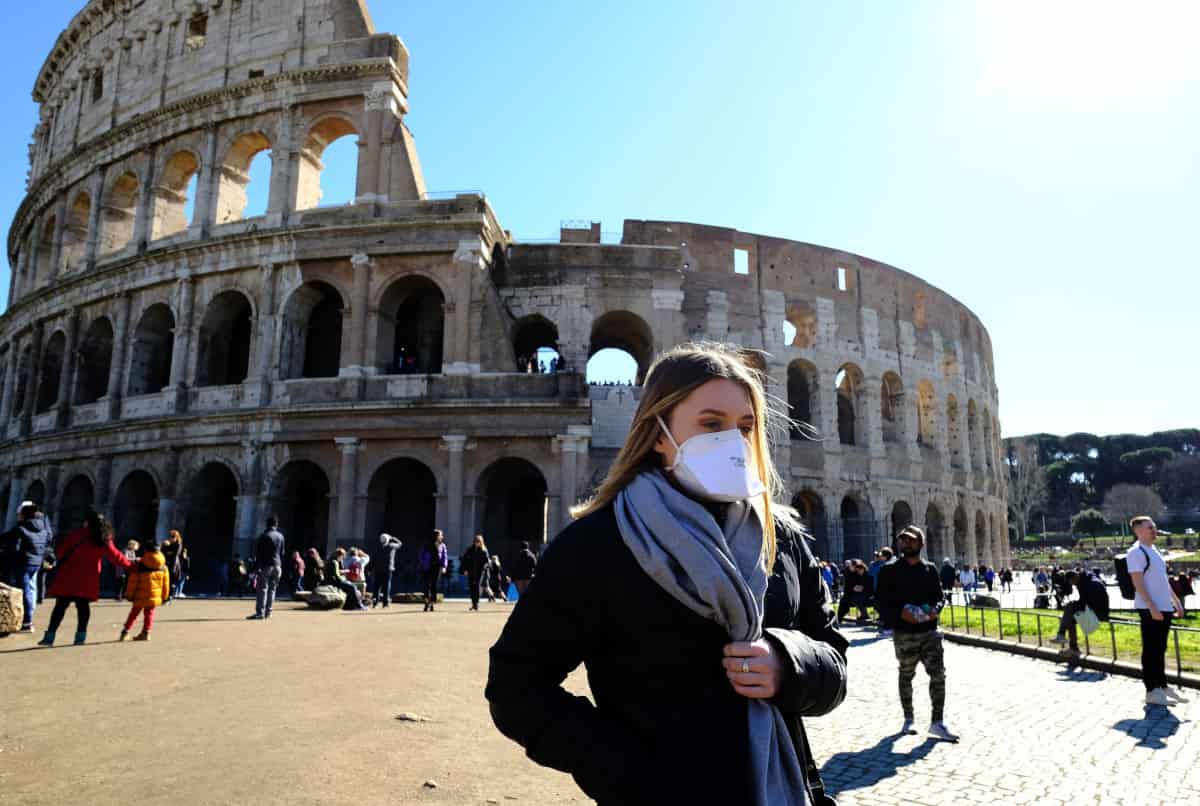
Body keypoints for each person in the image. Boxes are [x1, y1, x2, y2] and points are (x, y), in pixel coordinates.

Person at [486, 343, 848, 804]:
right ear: (658, 433)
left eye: (745, 427)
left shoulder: (782, 537)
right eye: (711, 424)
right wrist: (627, 772)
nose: (733, 443)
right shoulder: (597, 544)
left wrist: (788, 663)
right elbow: (516, 686)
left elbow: (833, 656)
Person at [875, 525, 958, 741]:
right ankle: (908, 719)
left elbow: (940, 598)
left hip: (930, 632)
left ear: (921, 543)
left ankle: (937, 722)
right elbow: (880, 602)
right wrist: (901, 614)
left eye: (911, 540)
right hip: (905, 633)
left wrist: (934, 611)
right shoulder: (889, 571)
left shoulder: (930, 569)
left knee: (938, 675)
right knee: (906, 675)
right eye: (904, 540)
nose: (906, 543)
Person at [39, 510, 132, 647]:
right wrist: (132, 566)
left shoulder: (77, 535)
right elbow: (116, 556)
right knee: (83, 608)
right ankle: (80, 637)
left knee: (60, 606)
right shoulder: (103, 538)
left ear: (87, 522)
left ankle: (49, 636)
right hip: (89, 577)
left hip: (69, 575)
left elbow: (61, 551)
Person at [1126, 517, 1188, 705]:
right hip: (1149, 607)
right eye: (1150, 527)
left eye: (1154, 526)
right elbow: (1137, 582)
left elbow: (1162, 579)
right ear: (1138, 531)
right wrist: (1151, 606)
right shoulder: (1135, 552)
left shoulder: (1154, 551)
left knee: (1160, 648)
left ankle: (1162, 686)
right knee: (1151, 649)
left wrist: (1175, 601)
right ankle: (1151, 690)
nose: (1154, 530)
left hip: (1163, 606)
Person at [3, 502, 53, 633]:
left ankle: (27, 622)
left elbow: (13, 547)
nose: (17, 516)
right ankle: (28, 617)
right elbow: (47, 540)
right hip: (36, 562)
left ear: (24, 515)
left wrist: (10, 557)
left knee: (25, 591)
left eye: (19, 514)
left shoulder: (22, 528)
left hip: (23, 563)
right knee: (31, 589)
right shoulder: (42, 528)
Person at [1050, 568, 1109, 659]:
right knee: (1069, 617)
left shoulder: (1090, 584)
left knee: (1069, 609)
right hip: (1093, 609)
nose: (1074, 586)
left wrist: (1074, 605)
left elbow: (1087, 603)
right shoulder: (1085, 581)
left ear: (1075, 578)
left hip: (1099, 612)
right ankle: (1072, 647)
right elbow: (1085, 602)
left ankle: (1063, 637)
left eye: (1073, 583)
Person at [120, 538, 170, 641]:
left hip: (140, 595)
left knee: (133, 613)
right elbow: (166, 584)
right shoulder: (163, 566)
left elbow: (132, 582)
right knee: (149, 613)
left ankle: (125, 632)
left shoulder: (140, 565)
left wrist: (129, 595)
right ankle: (146, 633)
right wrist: (165, 597)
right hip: (154, 595)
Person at [248, 516, 285, 620]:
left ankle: (260, 612)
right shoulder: (281, 536)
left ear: (267, 524)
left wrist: (255, 568)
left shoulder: (264, 536)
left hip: (266, 565)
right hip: (278, 565)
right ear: (276, 524)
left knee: (262, 589)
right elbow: (282, 553)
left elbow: (259, 554)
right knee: (273, 589)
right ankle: (269, 612)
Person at [418, 531, 448, 612]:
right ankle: (426, 601)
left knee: (434, 585)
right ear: (436, 536)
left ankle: (431, 602)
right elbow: (421, 555)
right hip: (427, 567)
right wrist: (422, 564)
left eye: (441, 535)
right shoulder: (426, 544)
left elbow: (444, 557)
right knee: (426, 584)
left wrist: (444, 566)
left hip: (437, 567)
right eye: (440, 535)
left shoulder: (442, 545)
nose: (441, 536)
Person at [837, 560, 874, 624]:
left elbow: (864, 584)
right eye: (850, 566)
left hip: (860, 593)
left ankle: (864, 615)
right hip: (850, 592)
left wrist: (859, 587)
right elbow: (844, 580)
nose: (850, 567)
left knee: (855, 599)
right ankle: (839, 618)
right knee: (844, 601)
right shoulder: (847, 571)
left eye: (852, 566)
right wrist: (854, 587)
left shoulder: (860, 573)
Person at [372, 533, 402, 608]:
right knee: (386, 585)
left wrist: (370, 568)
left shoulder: (377, 547)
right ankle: (385, 603)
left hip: (378, 569)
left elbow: (373, 559)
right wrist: (392, 538)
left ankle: (375, 601)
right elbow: (400, 544)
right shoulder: (391, 546)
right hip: (388, 569)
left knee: (377, 586)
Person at [460, 534, 490, 611]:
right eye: (476, 541)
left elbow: (487, 561)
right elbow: (465, 560)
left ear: (481, 542)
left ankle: (476, 604)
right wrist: (464, 569)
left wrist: (484, 568)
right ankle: (473, 603)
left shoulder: (484, 551)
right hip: (470, 571)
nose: (477, 543)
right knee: (471, 587)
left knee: (476, 586)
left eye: (478, 542)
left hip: (480, 572)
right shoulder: (470, 550)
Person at [162, 531, 183, 601]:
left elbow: (175, 554)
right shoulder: (167, 544)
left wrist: (169, 552)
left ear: (177, 537)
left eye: (173, 537)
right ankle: (166, 596)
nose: (171, 538)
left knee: (172, 582)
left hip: (174, 565)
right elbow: (163, 553)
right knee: (166, 582)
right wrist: (164, 545)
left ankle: (170, 596)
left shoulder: (178, 544)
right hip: (166, 564)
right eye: (170, 536)